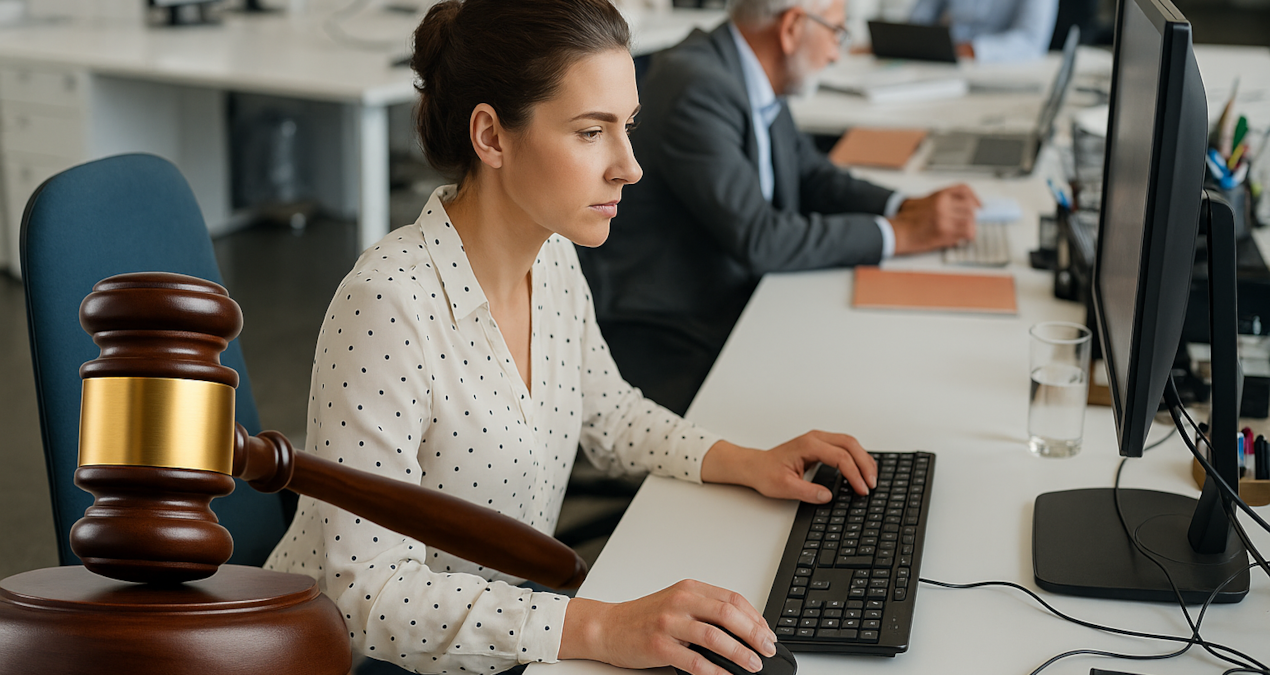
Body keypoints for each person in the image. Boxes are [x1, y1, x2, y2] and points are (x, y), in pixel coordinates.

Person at [265, 1, 880, 674]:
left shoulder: (551, 253)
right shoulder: (389, 305)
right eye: (592, 132)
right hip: (361, 657)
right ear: (492, 137)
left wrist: (745, 460)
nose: (629, 166)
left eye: (627, 128)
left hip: (504, 628)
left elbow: (606, 409)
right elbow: (370, 596)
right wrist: (603, 624)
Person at [577, 0, 981, 416]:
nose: (836, 53)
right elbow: (761, 238)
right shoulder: (697, 85)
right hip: (676, 332)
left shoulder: (748, 69)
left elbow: (811, 174)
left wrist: (906, 205)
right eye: (836, 32)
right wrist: (903, 233)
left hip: (742, 303)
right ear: (791, 28)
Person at [909, 0, 1059, 62]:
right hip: (944, 63)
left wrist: (972, 50)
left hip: (1001, 67)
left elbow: (1030, 41)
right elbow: (917, 22)